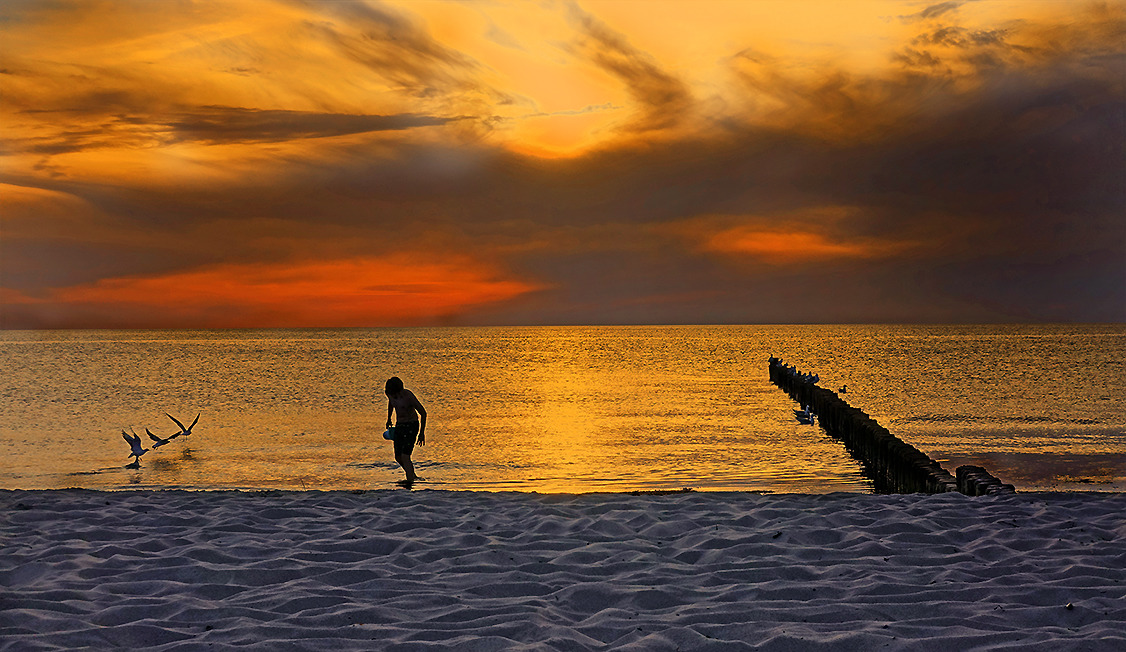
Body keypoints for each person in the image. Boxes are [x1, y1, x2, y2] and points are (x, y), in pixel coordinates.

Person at [385, 376, 426, 484]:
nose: (393, 397)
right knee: (398, 457)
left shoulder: (408, 396)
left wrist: (421, 433)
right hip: (399, 425)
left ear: (400, 390)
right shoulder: (390, 394)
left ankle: (410, 481)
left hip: (411, 425)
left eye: (395, 394)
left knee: (405, 456)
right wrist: (389, 418)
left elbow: (423, 413)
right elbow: (391, 403)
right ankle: (412, 475)